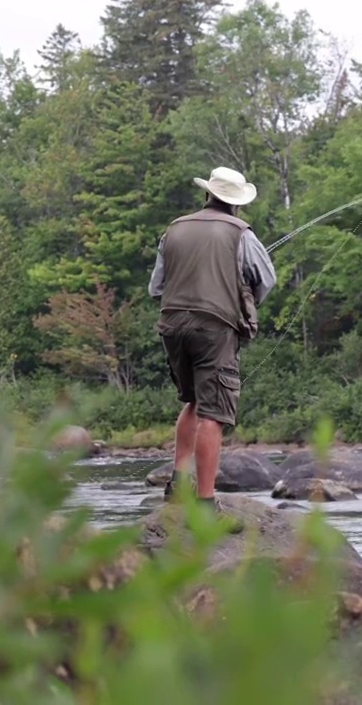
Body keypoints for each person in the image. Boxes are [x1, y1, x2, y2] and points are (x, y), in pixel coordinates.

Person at [148, 166, 276, 526]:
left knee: (193, 401)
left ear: (207, 194)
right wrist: (244, 300)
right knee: (214, 413)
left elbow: (155, 288)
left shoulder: (174, 229)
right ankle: (205, 506)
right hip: (214, 329)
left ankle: (177, 484)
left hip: (172, 326)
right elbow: (266, 280)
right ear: (236, 204)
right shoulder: (241, 233)